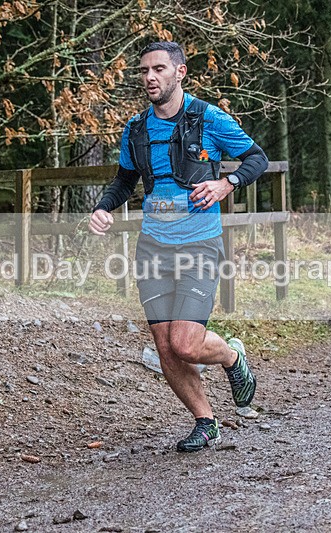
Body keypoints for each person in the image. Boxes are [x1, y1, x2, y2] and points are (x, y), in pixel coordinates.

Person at [89, 41, 268, 451]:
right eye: (144, 71)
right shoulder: (136, 129)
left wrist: (227, 183)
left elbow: (256, 158)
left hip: (200, 244)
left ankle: (231, 356)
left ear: (180, 73)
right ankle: (206, 421)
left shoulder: (209, 119)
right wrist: (104, 207)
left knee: (186, 343)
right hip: (153, 246)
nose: (149, 77)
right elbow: (123, 181)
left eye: (158, 69)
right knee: (166, 347)